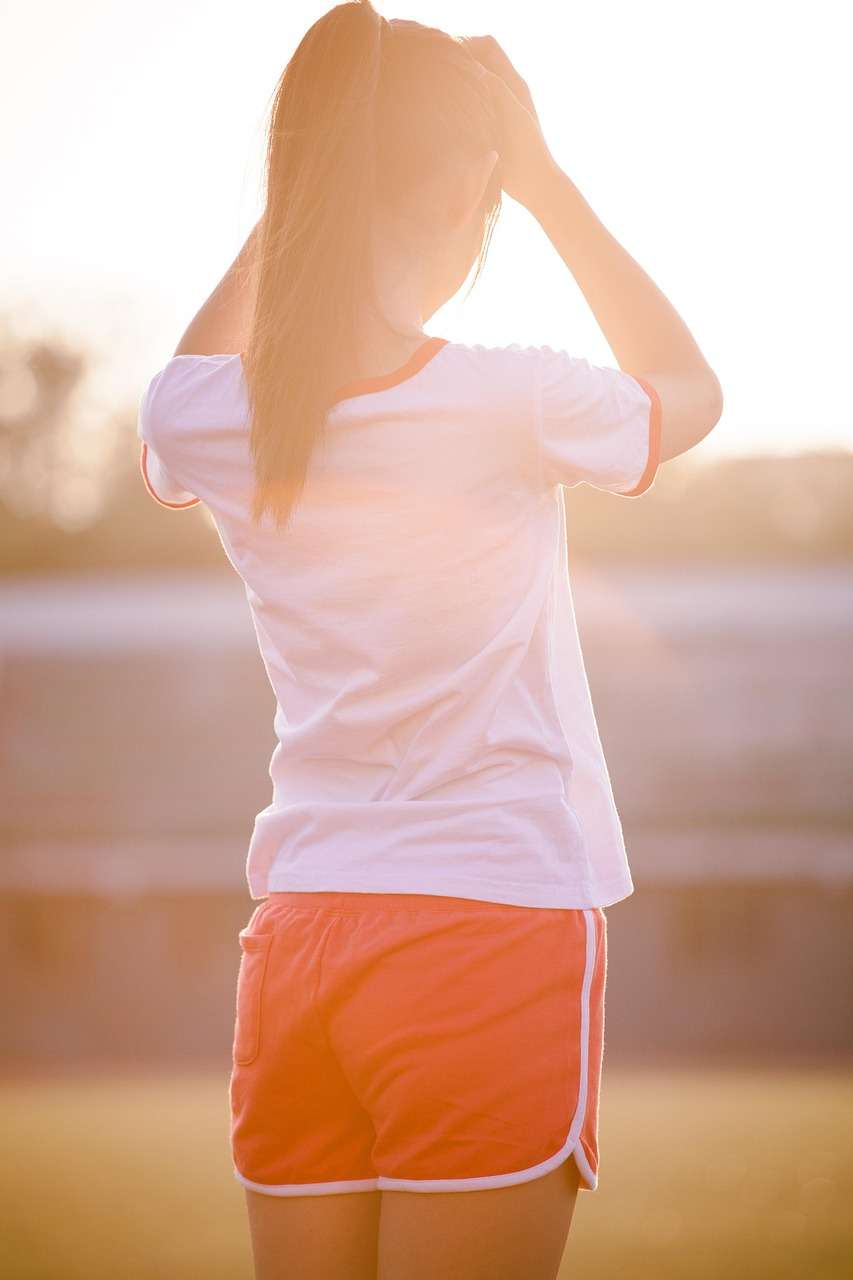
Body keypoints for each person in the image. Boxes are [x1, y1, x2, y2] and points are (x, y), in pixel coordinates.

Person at [137, 4, 723, 1277]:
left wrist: (310, 184)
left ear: (308, 180)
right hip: (488, 920)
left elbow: (182, 390)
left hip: (298, 936)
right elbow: (690, 392)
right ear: (473, 182)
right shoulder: (505, 394)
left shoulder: (203, 414)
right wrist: (552, 187)